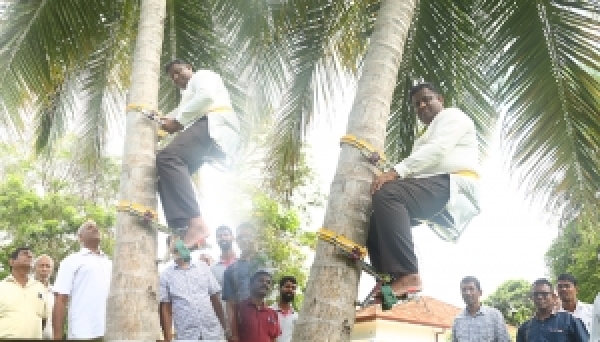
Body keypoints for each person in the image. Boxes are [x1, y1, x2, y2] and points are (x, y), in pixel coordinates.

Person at [368, 82, 481, 297]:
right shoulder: (424, 138)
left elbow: (438, 150)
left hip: (454, 184)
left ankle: (409, 274)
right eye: (417, 104)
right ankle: (389, 281)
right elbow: (414, 171)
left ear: (441, 99)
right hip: (433, 188)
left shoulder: (452, 116)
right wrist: (382, 170)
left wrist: (393, 173)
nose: (422, 105)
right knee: (375, 222)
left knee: (388, 194)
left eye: (427, 99)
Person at [157, 59, 240, 255]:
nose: (177, 78)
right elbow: (177, 114)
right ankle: (183, 230)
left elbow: (206, 97)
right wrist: (158, 125)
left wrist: (176, 123)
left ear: (189, 68)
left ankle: (196, 223)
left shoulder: (203, 76)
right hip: (208, 133)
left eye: (179, 72)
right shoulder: (187, 97)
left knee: (168, 158)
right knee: (164, 177)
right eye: (173, 77)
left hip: (215, 123)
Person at [52, 220, 112, 339]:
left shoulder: (110, 263)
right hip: (83, 332)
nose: (95, 229)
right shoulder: (71, 261)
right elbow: (61, 299)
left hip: (111, 332)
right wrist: (57, 337)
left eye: (96, 227)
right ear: (80, 237)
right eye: (90, 227)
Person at [159, 239, 228, 341]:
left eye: (180, 244)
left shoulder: (203, 267)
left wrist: (225, 328)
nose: (178, 248)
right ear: (170, 250)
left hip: (212, 334)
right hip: (187, 336)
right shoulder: (166, 275)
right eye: (174, 247)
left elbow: (215, 299)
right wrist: (167, 339)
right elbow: (166, 308)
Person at [222, 222, 263, 341]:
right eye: (240, 237)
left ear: (255, 238)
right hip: (245, 328)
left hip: (268, 326)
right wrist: (234, 334)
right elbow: (230, 305)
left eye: (248, 236)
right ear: (237, 241)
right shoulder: (231, 271)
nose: (244, 240)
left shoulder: (267, 264)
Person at [517, 278, 588, 342]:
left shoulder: (570, 321)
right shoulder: (524, 328)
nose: (539, 297)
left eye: (544, 294)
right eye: (536, 294)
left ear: (553, 296)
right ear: (531, 297)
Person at [0, 247, 49, 339]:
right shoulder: (1, 287)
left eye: (31, 256)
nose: (29, 256)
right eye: (24, 253)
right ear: (12, 262)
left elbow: (44, 319)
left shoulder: (40, 287)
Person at [451, 276, 510, 342]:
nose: (467, 293)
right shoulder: (457, 321)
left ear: (480, 292)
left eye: (471, 289)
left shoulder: (495, 316)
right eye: (464, 290)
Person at [235, 271, 281, 342]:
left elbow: (274, 339)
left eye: (268, 282)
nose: (265, 284)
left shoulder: (272, 313)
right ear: (251, 284)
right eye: (261, 280)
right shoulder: (239, 308)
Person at [271, 276, 298, 342]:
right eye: (287, 287)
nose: (290, 290)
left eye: (293, 288)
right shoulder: (269, 311)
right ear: (279, 288)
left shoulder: (296, 316)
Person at [34, 254, 55, 339]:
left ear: (51, 270)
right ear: (35, 268)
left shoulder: (55, 292)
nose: (44, 269)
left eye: (48, 266)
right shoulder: (27, 288)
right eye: (41, 266)